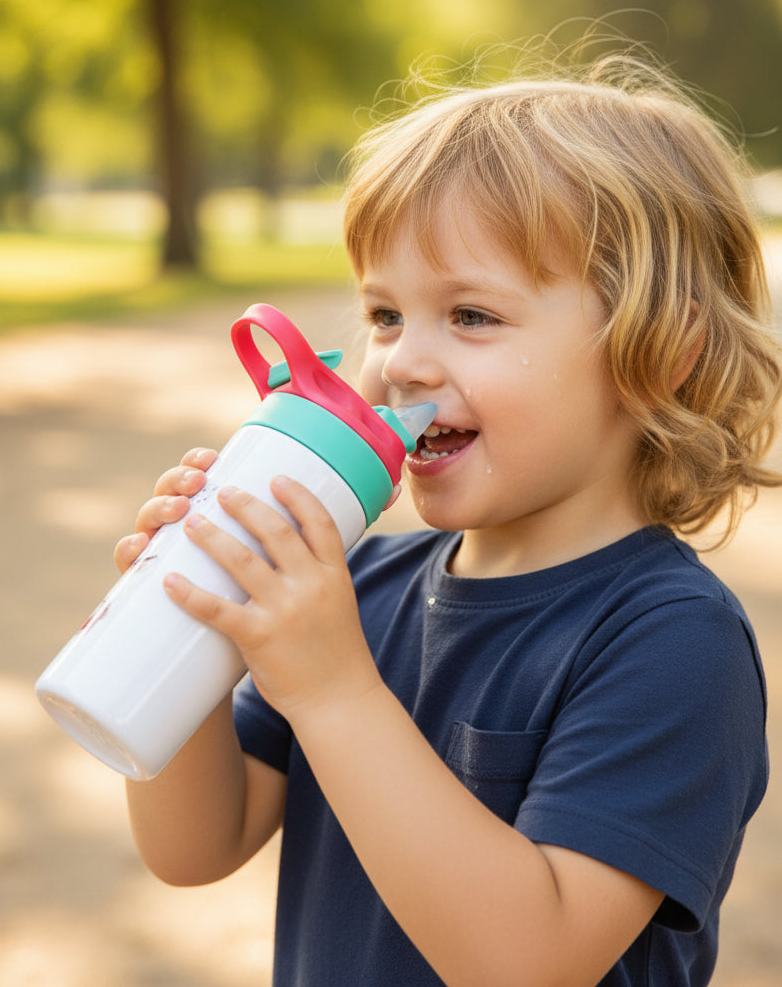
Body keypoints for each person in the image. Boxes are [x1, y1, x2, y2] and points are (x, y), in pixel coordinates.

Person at [115, 55, 781, 987]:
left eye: (470, 315)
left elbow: (533, 960)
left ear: (660, 353)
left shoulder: (673, 642)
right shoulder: (359, 587)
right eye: (386, 314)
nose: (403, 364)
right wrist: (181, 629)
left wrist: (336, 691)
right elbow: (195, 847)